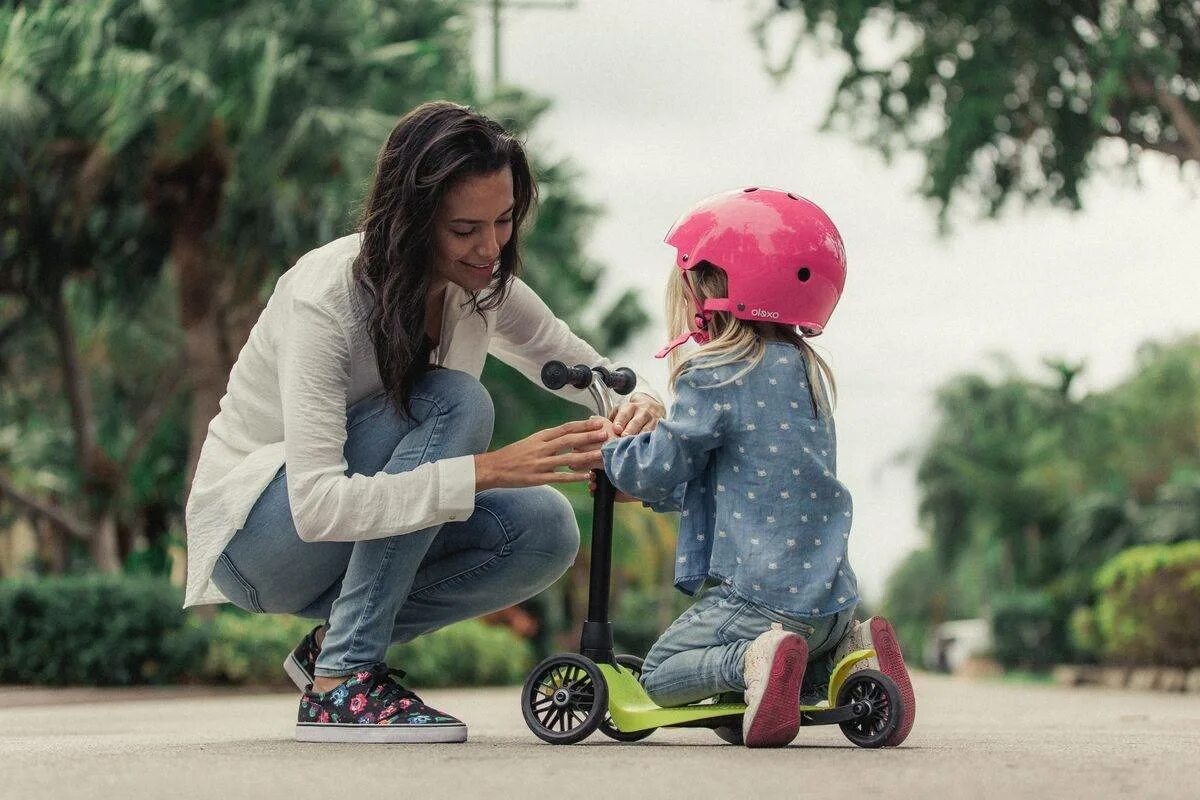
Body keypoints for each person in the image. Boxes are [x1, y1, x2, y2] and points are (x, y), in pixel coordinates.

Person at [183, 101, 665, 743]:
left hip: (336, 539)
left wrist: (641, 414)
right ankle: (341, 683)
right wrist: (487, 471)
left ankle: (330, 649)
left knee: (546, 529)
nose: (490, 248)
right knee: (456, 402)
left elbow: (591, 372)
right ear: (411, 221)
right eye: (466, 228)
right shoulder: (325, 297)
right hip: (261, 540)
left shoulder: (482, 285)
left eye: (504, 221)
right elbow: (318, 508)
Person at [596, 187, 915, 747]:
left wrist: (613, 448)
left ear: (707, 290)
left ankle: (752, 659)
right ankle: (851, 651)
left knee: (660, 673)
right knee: (802, 673)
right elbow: (746, 475)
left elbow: (655, 468)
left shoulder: (715, 373)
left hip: (759, 600)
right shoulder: (808, 372)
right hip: (829, 601)